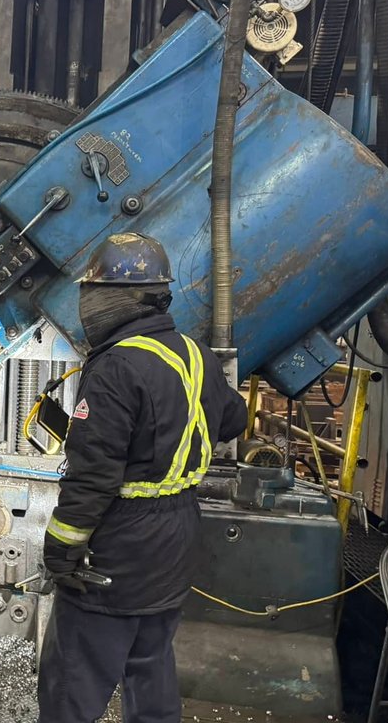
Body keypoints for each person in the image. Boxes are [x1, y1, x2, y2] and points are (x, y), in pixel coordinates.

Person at [37, 232, 248, 723]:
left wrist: (63, 546)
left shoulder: (115, 366)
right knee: (150, 670)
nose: (87, 306)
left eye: (91, 294)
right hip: (176, 540)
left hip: (122, 544)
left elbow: (94, 475)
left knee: (74, 681)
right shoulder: (195, 354)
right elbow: (234, 420)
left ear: (115, 300)